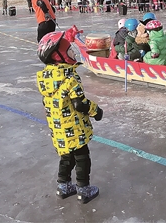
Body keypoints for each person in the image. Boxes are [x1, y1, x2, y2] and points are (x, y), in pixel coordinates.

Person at [36, 27, 103, 204]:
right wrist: (96, 111)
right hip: (75, 128)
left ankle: (63, 187)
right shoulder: (70, 78)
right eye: (69, 50)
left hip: (58, 128)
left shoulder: (46, 79)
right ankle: (83, 190)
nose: (73, 53)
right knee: (82, 158)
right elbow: (80, 104)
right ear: (59, 56)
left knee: (66, 157)